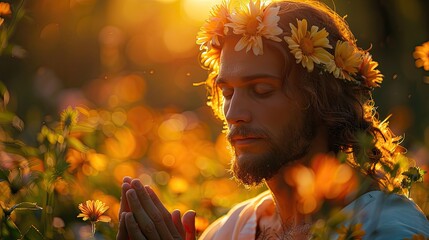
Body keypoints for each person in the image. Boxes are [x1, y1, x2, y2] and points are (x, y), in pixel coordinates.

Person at [116, 0, 429, 239]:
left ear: (323, 98)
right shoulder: (230, 230)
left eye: (261, 90)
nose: (233, 113)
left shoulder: (385, 228)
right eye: (226, 92)